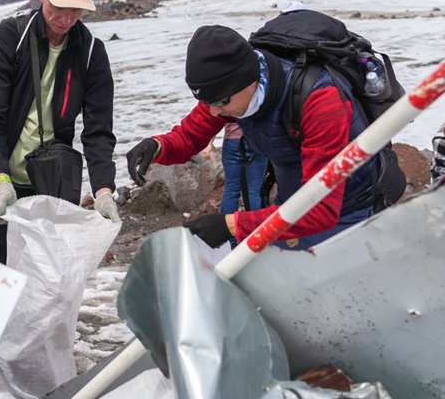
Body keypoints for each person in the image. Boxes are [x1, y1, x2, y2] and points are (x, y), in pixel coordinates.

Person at [0, 0, 119, 399]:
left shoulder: (90, 52)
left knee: (46, 301)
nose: (65, 19)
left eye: (76, 10)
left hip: (51, 190)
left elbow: (98, 130)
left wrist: (106, 187)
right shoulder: (9, 39)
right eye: (58, 7)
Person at [126, 24, 381, 251]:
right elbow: (188, 137)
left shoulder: (320, 101)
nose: (214, 111)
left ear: (248, 79)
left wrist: (231, 225)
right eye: (205, 101)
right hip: (290, 204)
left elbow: (321, 210)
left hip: (347, 211)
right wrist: (157, 146)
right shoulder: (232, 93)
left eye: (220, 101)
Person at [219, 122, 269, 216]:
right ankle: (255, 227)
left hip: (233, 139)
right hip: (258, 139)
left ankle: (225, 228)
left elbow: (215, 117)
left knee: (231, 189)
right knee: (254, 189)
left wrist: (209, 143)